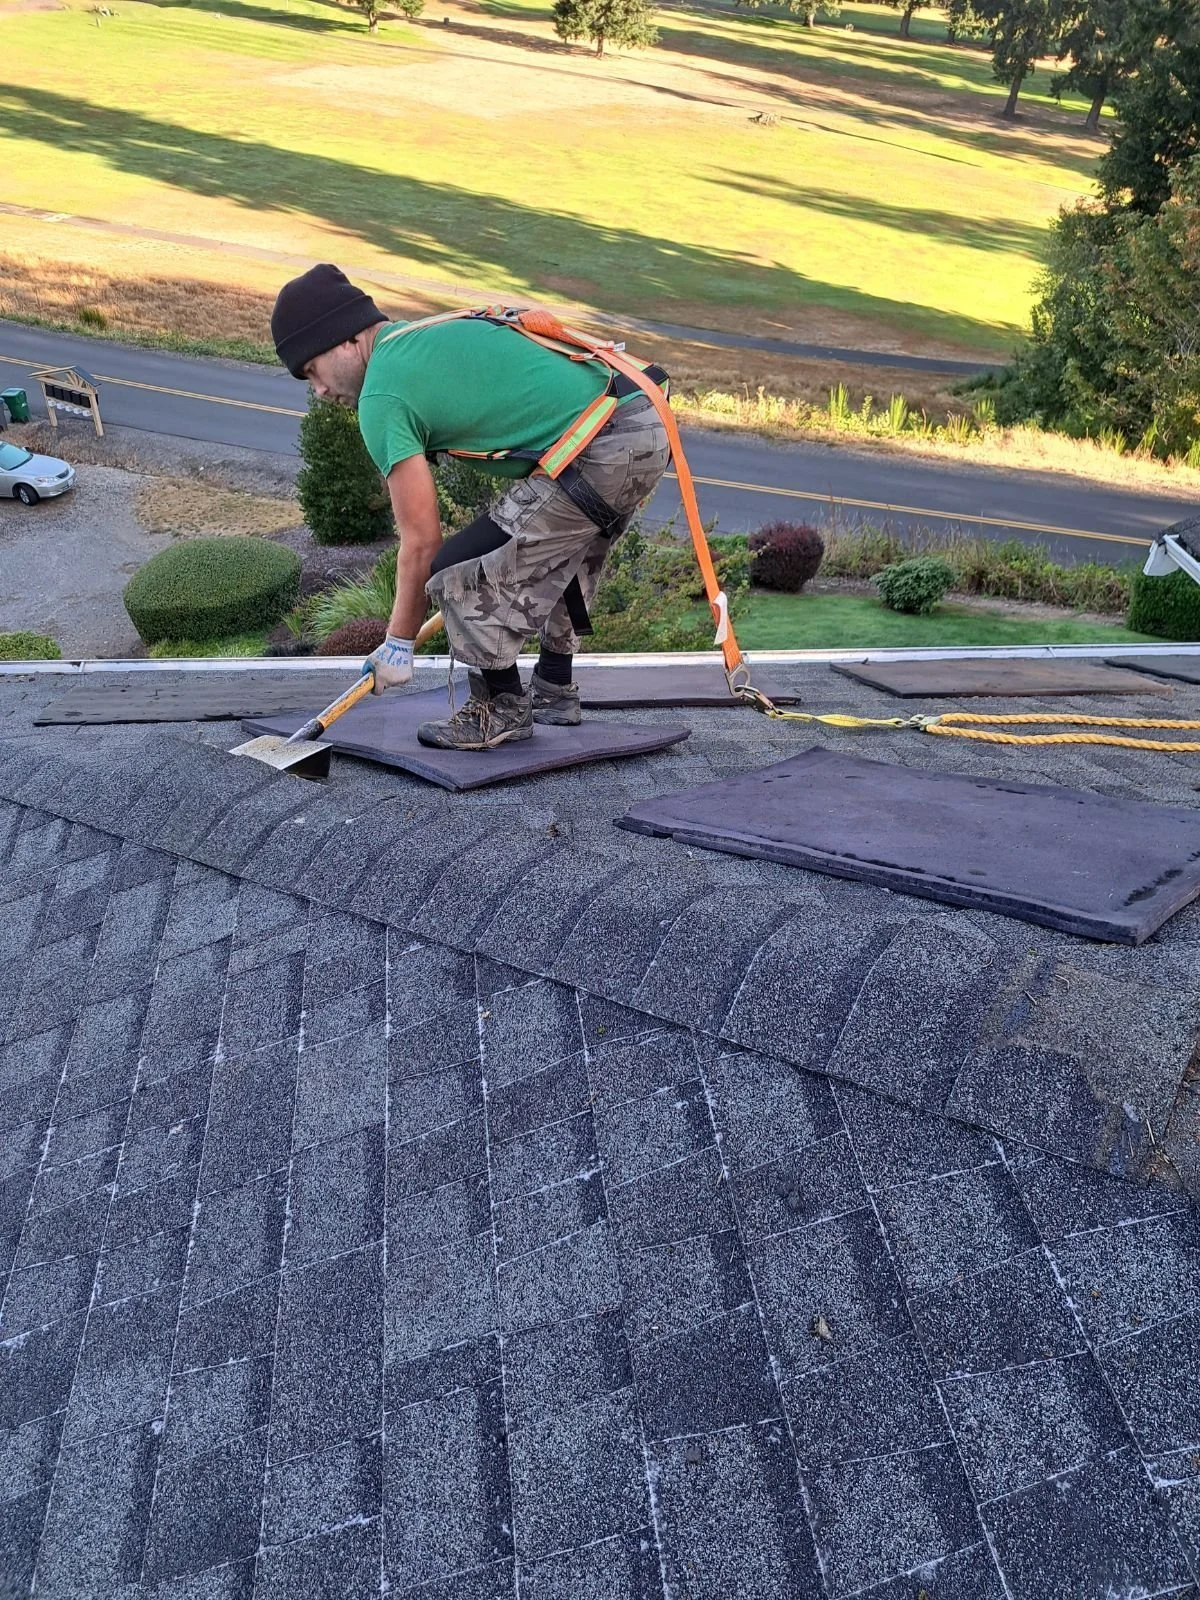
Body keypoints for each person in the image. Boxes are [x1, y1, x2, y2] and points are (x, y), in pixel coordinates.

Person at [271, 264, 671, 750]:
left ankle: (500, 708)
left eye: (311, 370)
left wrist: (398, 643)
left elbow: (421, 543)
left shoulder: (381, 393)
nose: (318, 390)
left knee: (459, 566)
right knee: (557, 544)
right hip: (639, 416)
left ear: (346, 340)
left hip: (600, 442)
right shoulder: (415, 339)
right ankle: (553, 688)